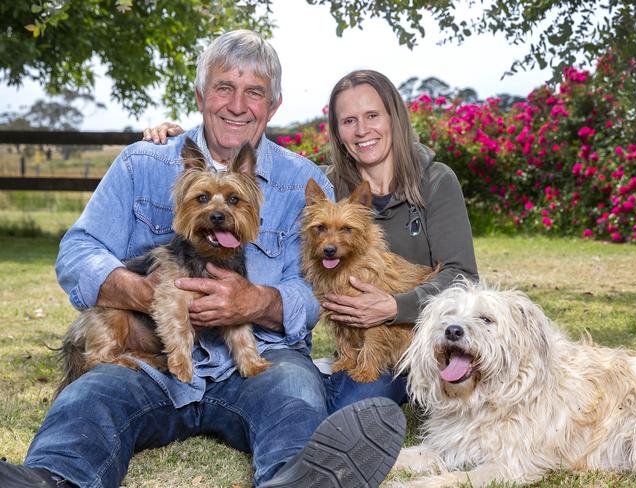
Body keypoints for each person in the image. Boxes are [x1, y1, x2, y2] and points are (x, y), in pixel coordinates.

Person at [0, 31, 406, 488]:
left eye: (254, 92)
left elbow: (318, 292)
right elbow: (77, 252)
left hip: (259, 358)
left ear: (272, 106)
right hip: (148, 358)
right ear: (200, 95)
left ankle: (297, 480)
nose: (237, 104)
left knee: (296, 398)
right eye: (223, 88)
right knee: (90, 396)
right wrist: (141, 292)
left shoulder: (301, 182)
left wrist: (257, 302)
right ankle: (50, 478)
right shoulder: (142, 163)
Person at [144, 70, 478, 412]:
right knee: (343, 407)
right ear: (337, 131)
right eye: (349, 121)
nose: (362, 130)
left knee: (355, 399)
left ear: (395, 116)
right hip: (360, 348)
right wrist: (180, 138)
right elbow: (256, 180)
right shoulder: (322, 183)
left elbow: (461, 275)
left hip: (426, 335)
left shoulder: (436, 180)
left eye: (372, 116)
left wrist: (395, 306)